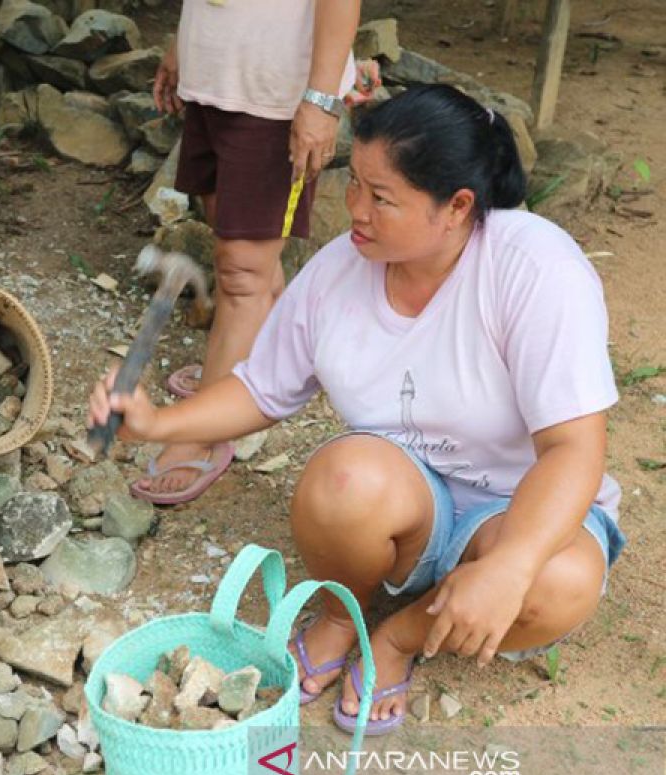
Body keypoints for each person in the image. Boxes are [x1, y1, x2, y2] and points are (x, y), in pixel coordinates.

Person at [89, 84, 627, 735]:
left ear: (456, 207)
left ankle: (399, 637)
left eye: (382, 197)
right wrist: (158, 423)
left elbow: (574, 448)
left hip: (523, 505)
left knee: (562, 582)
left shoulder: (533, 267)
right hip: (405, 502)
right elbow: (263, 388)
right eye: (355, 185)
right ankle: (344, 616)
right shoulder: (341, 268)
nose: (355, 211)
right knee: (342, 479)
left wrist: (510, 565)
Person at [140, 0, 362, 504]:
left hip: (278, 98)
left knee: (244, 271)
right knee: (236, 249)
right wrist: (182, 45)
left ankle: (205, 430)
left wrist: (322, 100)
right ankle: (253, 372)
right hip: (216, 78)